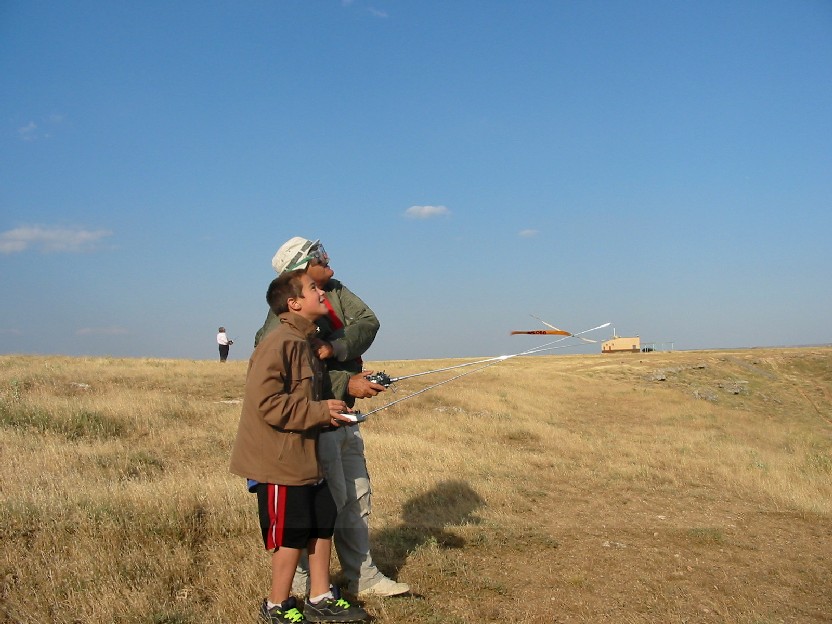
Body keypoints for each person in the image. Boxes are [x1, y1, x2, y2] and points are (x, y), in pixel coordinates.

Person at [255, 237, 410, 598]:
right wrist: (345, 381)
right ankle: (304, 586)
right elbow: (290, 379)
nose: (329, 261)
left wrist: (337, 349)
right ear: (299, 271)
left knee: (357, 497)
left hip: (343, 416)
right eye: (319, 258)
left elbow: (368, 322)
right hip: (315, 424)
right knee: (319, 507)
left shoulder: (335, 289)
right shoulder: (282, 324)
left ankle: (363, 578)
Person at [230, 270, 369, 624]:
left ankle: (320, 597)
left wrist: (334, 412)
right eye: (312, 288)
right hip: (278, 459)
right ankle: (276, 606)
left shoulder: (306, 342)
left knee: (323, 521)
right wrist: (320, 410)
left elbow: (308, 399)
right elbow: (267, 404)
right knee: (291, 534)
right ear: (293, 303)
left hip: (306, 455)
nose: (321, 291)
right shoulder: (279, 343)